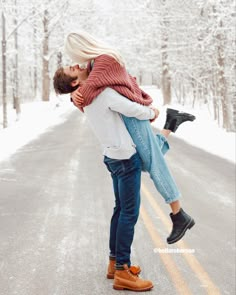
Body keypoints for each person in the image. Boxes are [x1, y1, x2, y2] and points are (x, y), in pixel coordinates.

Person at [54, 65, 157, 291]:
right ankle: (122, 270)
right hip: (125, 158)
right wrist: (153, 113)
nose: (76, 65)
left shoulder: (84, 97)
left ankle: (115, 263)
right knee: (129, 213)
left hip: (111, 156)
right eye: (71, 69)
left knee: (120, 210)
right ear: (74, 83)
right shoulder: (101, 93)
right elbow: (133, 109)